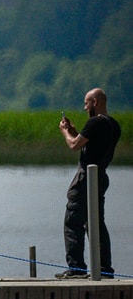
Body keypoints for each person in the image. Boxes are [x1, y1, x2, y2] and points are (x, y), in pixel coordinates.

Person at [56, 87, 121, 278]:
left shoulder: (94, 122)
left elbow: (74, 145)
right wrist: (73, 130)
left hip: (86, 177)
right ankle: (105, 269)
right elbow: (88, 143)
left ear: (95, 102)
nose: (85, 107)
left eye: (86, 103)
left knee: (73, 221)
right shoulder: (113, 124)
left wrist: (64, 132)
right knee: (96, 222)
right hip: (101, 176)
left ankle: (76, 268)